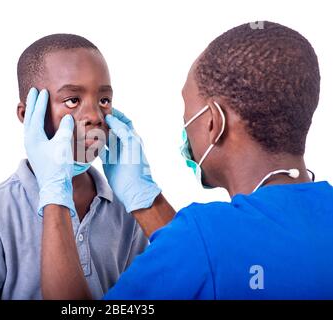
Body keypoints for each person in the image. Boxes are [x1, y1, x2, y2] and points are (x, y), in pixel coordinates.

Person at [29, 22, 333, 299]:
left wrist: (55, 193)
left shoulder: (202, 239)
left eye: (188, 113)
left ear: (214, 122)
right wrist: (144, 200)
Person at [0, 34, 148, 300]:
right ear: (27, 114)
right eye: (73, 100)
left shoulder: (126, 210)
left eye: (104, 100)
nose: (95, 116)